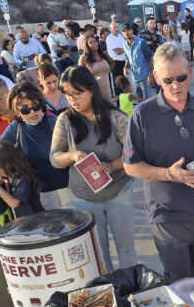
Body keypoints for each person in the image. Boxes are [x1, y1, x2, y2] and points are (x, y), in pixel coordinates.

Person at [123, 43, 194, 286]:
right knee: (180, 286)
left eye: (181, 78)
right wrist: (168, 174)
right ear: (156, 77)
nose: (176, 85)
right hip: (166, 217)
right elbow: (130, 165)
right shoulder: (142, 114)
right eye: (168, 80)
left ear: (190, 71)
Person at [49, 66, 137, 271]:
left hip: (119, 192)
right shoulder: (65, 120)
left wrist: (112, 166)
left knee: (126, 248)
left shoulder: (115, 117)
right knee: (98, 252)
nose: (73, 100)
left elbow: (133, 153)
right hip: (85, 198)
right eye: (67, 95)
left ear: (91, 90)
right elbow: (54, 158)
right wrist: (73, 156)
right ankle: (109, 292)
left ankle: (131, 288)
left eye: (77, 94)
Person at [0, 82, 71, 209]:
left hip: (69, 186)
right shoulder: (16, 128)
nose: (32, 112)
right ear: (16, 112)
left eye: (36, 106)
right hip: (44, 192)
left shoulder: (55, 122)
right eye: (25, 109)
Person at [0, 141, 44, 218]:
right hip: (22, 220)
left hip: (34, 219)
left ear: (7, 163)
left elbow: (14, 204)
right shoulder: (9, 173)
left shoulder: (22, 178)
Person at [122, 24, 154, 100]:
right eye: (124, 31)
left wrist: (150, 75)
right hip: (134, 77)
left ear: (132, 31)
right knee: (139, 101)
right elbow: (127, 58)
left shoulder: (141, 43)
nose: (126, 32)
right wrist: (125, 68)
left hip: (145, 77)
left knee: (147, 101)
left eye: (128, 30)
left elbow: (150, 59)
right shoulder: (124, 45)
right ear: (122, 33)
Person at [79, 33, 114, 101]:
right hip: (94, 91)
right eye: (91, 42)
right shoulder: (84, 58)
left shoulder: (104, 55)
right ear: (87, 45)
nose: (94, 43)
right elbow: (80, 74)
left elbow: (112, 63)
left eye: (95, 41)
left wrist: (106, 71)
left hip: (107, 90)